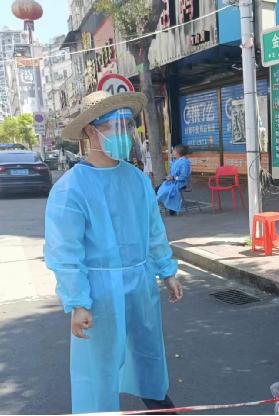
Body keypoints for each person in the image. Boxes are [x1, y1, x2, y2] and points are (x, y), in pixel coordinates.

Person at [44, 90, 184, 414]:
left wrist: (167, 271)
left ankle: (159, 406)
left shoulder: (136, 179)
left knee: (148, 355)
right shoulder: (70, 188)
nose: (124, 133)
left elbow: (153, 231)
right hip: (100, 293)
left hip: (141, 285)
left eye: (127, 125)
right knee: (99, 369)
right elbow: (65, 252)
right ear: (91, 131)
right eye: (115, 126)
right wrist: (78, 302)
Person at [156, 144, 191, 215]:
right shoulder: (176, 160)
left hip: (180, 183)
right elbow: (172, 172)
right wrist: (169, 177)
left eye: (174, 151)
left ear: (178, 152)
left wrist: (174, 178)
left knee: (162, 190)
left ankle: (169, 209)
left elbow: (184, 176)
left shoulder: (184, 162)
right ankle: (167, 208)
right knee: (157, 188)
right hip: (173, 182)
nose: (172, 152)